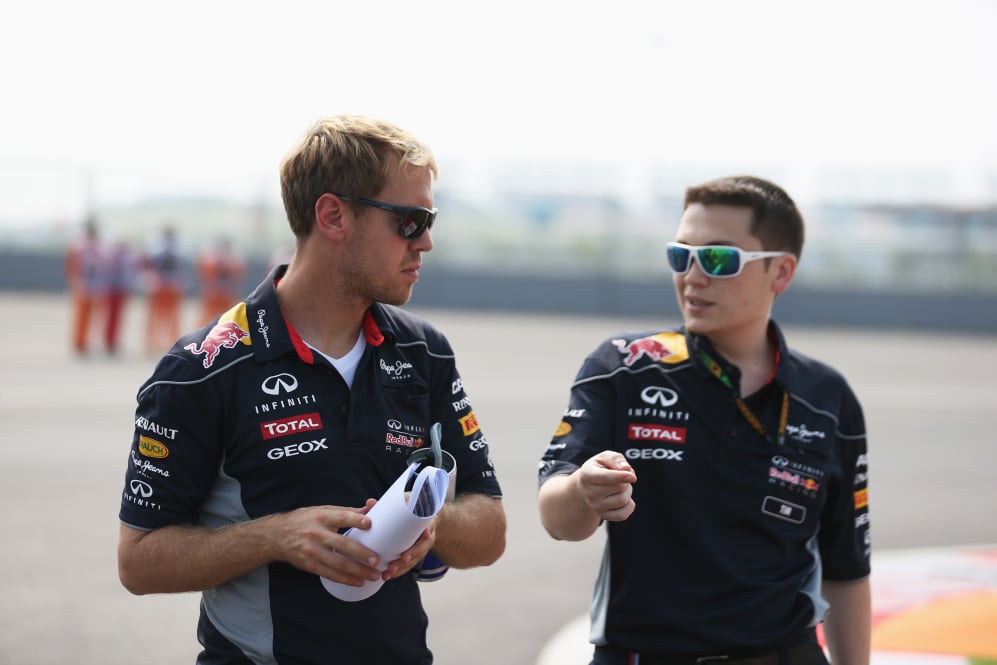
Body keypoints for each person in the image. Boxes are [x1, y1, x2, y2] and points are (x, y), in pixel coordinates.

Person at [117, 114, 506, 664]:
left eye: (430, 220)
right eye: (411, 220)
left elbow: (491, 528)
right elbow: (138, 561)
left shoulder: (426, 353)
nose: (427, 242)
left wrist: (429, 524)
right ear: (333, 215)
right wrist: (276, 537)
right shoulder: (201, 370)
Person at [537, 175, 871, 665]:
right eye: (681, 255)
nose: (693, 276)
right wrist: (584, 490)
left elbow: (847, 570)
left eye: (718, 259)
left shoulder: (827, 397)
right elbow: (556, 517)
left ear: (781, 272)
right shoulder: (623, 365)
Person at [143, 224, 186, 354]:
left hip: (169, 286)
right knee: (157, 317)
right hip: (160, 286)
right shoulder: (157, 246)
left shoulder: (177, 248)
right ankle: (151, 343)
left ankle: (171, 343)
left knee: (171, 318)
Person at [64, 216, 104, 355]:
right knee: (82, 317)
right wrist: (75, 282)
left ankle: (84, 341)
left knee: (90, 317)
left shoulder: (93, 246)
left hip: (92, 286)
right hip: (84, 286)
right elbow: (72, 266)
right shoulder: (79, 246)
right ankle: (80, 342)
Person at [196, 234, 247, 326]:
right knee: (209, 319)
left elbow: (239, 274)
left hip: (224, 294)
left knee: (228, 319)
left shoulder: (233, 257)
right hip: (216, 293)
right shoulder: (213, 255)